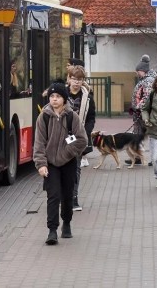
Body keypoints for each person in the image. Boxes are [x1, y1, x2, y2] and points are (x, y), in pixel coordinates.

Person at [33, 82, 88, 245]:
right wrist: (41, 164)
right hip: (50, 163)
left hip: (68, 162)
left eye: (58, 96)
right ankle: (52, 230)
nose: (54, 99)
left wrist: (67, 153)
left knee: (67, 194)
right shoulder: (43, 116)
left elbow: (82, 140)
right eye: (52, 96)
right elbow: (39, 143)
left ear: (64, 99)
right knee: (53, 195)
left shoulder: (72, 116)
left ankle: (67, 223)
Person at [65, 65, 96, 210]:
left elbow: (91, 118)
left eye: (79, 79)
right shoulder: (60, 95)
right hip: (61, 136)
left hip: (78, 138)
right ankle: (61, 196)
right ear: (69, 79)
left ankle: (73, 198)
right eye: (74, 79)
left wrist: (84, 133)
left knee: (75, 168)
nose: (76, 82)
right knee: (60, 168)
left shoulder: (88, 98)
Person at [127, 54, 157, 166]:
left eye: (138, 71)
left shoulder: (148, 80)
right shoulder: (145, 79)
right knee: (137, 135)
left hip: (144, 114)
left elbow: (147, 96)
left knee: (151, 136)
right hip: (140, 113)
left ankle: (154, 158)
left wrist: (138, 108)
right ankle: (137, 156)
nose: (136, 73)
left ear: (143, 70)